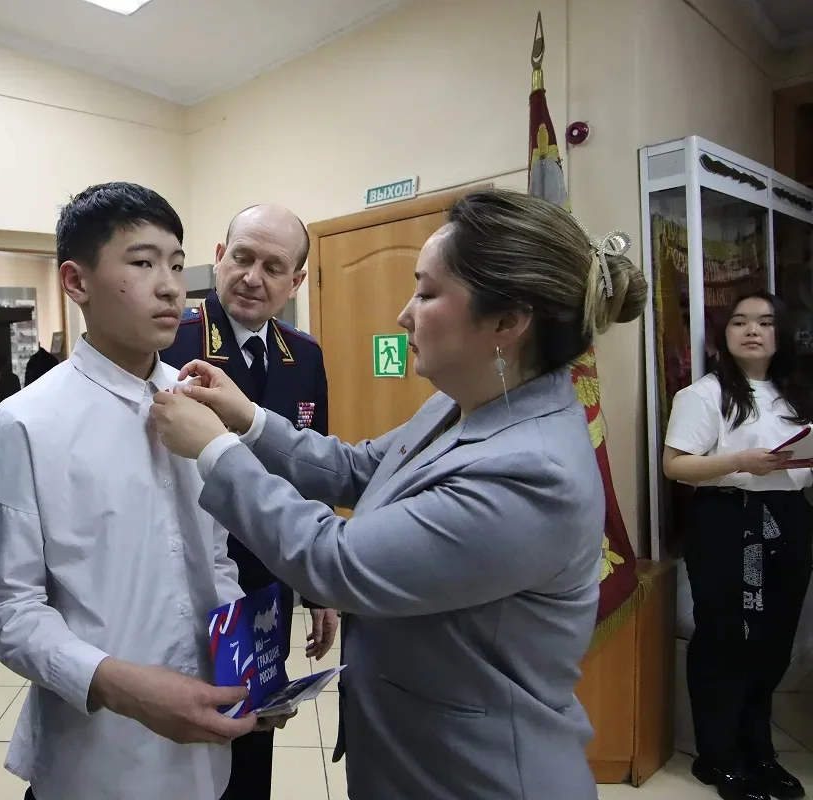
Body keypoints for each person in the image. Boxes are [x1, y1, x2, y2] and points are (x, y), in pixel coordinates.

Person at [149, 188, 649, 799]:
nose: (404, 315)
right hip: (410, 753)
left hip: (473, 775)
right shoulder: (466, 404)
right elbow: (358, 467)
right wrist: (249, 418)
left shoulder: (533, 473)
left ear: (506, 323)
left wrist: (215, 449)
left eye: (428, 294)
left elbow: (337, 560)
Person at [0, 182, 270, 800]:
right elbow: (7, 607)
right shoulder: (27, 422)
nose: (169, 286)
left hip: (208, 739)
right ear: (76, 282)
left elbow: (213, 558)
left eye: (176, 264)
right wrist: (120, 685)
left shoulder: (198, 401)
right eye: (141, 263)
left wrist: (250, 665)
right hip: (97, 756)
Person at [160, 203, 338, 800]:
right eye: (241, 258)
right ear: (218, 257)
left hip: (268, 581)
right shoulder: (173, 338)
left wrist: (318, 590)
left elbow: (312, 472)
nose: (252, 278)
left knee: (254, 737)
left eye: (273, 267)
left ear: (297, 281)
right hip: (186, 579)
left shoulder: (303, 355)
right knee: (186, 744)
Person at [663, 292, 813, 800]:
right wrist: (739, 462)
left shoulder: (795, 393)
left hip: (788, 518)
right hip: (729, 518)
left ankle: (758, 751)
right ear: (722, 335)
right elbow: (676, 465)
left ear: (780, 334)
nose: (752, 330)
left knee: (775, 639)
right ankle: (719, 757)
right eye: (740, 322)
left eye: (765, 322)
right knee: (728, 639)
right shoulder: (704, 394)